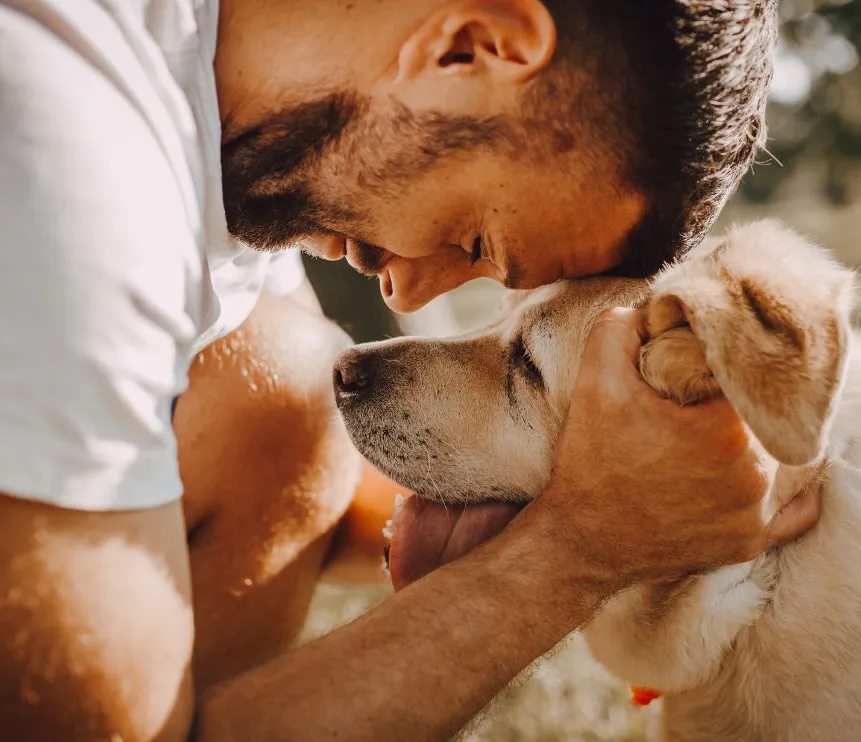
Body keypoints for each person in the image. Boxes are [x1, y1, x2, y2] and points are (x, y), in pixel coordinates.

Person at [0, 0, 820, 740]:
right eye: (473, 240)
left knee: (284, 388)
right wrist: (579, 548)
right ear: (472, 47)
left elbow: (305, 491)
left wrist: (646, 494)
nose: (404, 286)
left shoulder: (216, 126)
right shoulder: (61, 149)